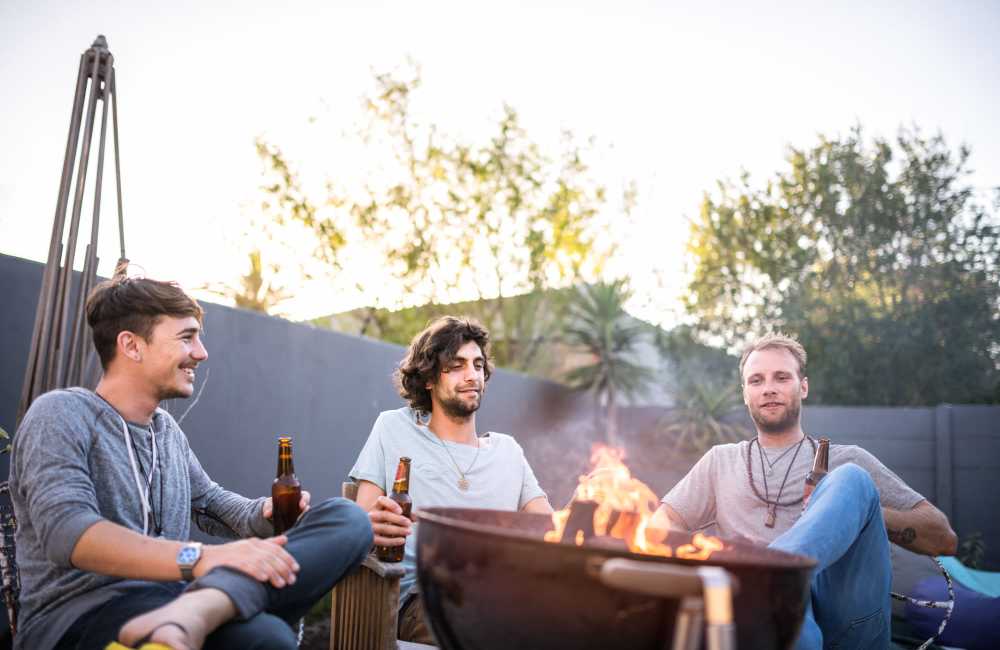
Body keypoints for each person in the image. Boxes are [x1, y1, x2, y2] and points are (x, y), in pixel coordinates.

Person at [9, 276, 373, 650]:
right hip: (79, 617)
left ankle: (198, 609)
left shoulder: (166, 432)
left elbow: (211, 502)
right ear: (131, 345)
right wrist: (200, 558)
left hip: (176, 601)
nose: (201, 353)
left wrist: (262, 513)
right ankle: (201, 608)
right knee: (268, 638)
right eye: (187, 337)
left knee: (348, 518)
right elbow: (68, 535)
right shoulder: (61, 414)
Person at [653, 332, 958, 649]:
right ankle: (771, 584)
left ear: (803, 386)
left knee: (850, 479)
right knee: (783, 613)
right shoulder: (721, 460)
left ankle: (767, 576)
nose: (768, 387)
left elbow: (944, 539)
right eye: (756, 380)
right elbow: (661, 525)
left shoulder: (845, 458)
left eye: (781, 377)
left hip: (847, 619)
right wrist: (712, 554)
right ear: (745, 394)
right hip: (770, 627)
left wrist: (861, 511)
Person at [350, 316, 553, 644]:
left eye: (477, 365)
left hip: (500, 597)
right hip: (425, 599)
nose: (472, 375)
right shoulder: (394, 428)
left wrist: (593, 501)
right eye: (456, 365)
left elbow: (551, 531)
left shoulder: (508, 452)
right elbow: (361, 519)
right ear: (428, 378)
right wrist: (375, 522)